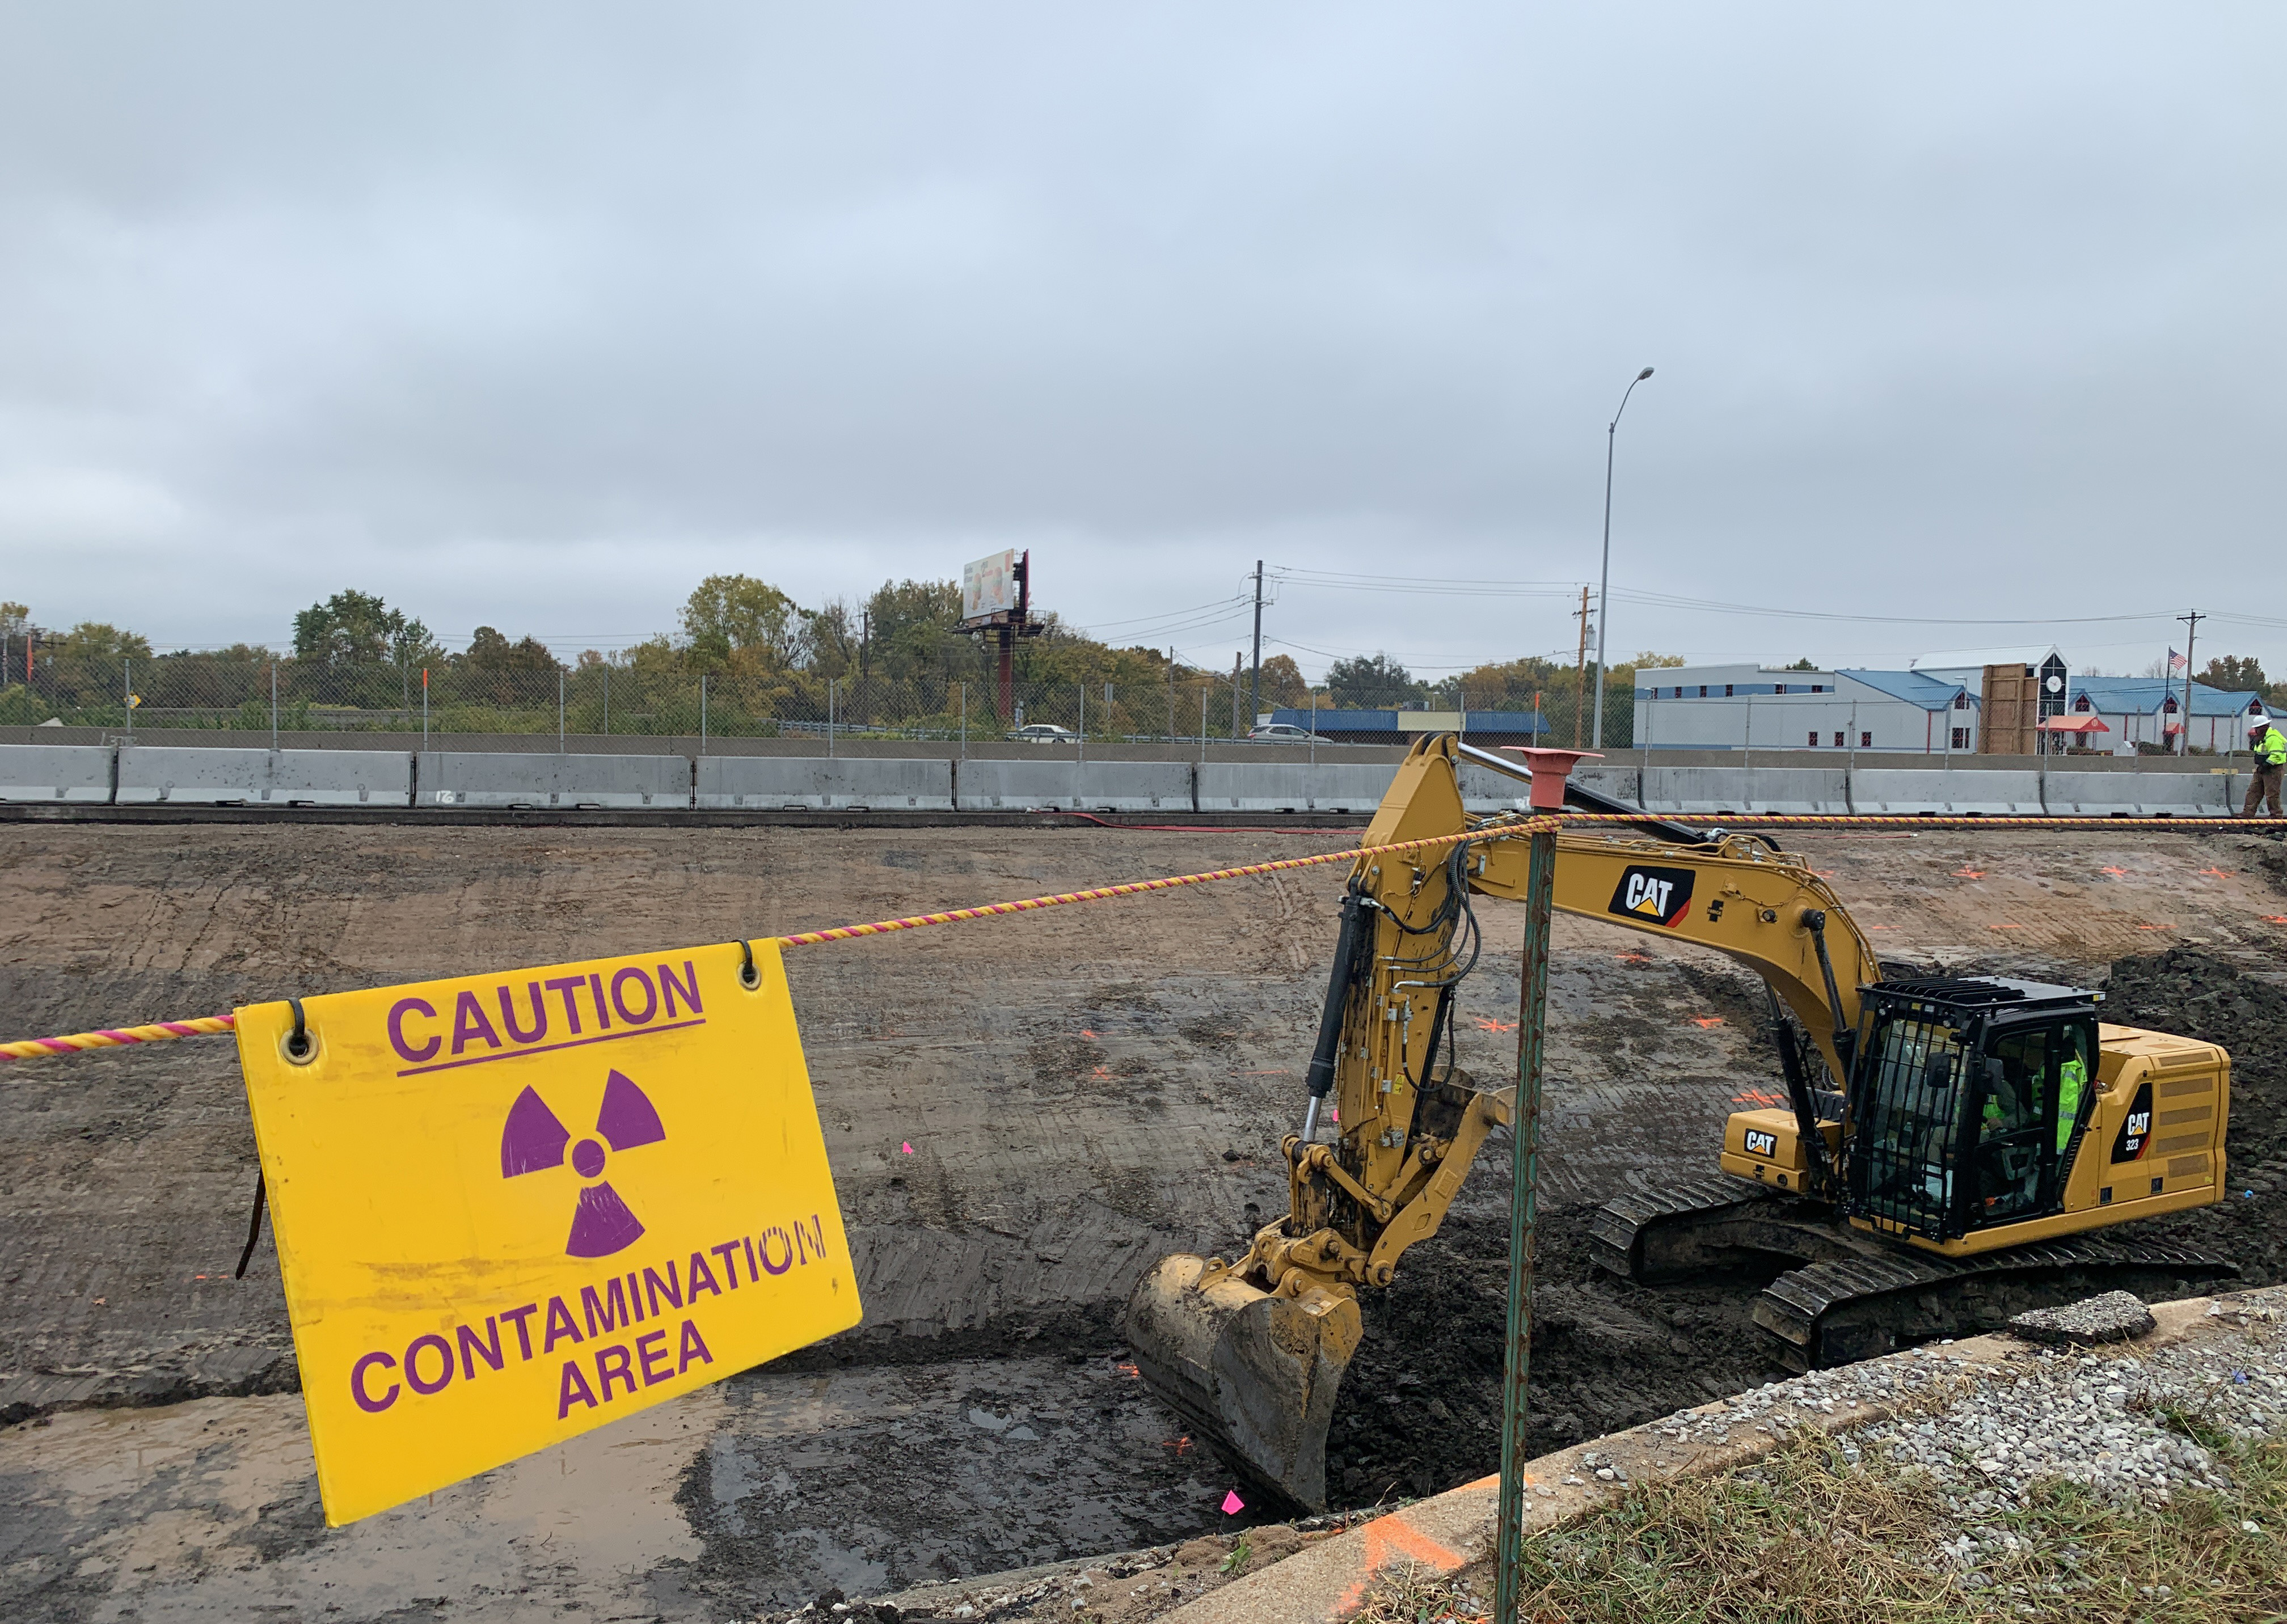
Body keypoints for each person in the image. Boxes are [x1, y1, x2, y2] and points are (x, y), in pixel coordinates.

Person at [2243, 711, 2285, 818]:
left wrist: (2266, 764)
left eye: (2258, 728)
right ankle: (2248, 813)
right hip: (2262, 768)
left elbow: (2277, 755)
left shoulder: (2274, 738)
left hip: (2273, 769)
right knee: (2253, 791)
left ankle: (2276, 815)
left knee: (2272, 794)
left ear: (2265, 727)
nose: (2256, 731)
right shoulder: (2262, 739)